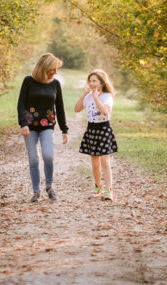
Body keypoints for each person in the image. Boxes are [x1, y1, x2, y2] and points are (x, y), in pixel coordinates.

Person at [17, 53, 69, 202]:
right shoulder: (29, 81)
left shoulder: (55, 84)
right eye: (53, 69)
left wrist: (64, 129)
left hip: (47, 125)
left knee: (48, 156)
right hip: (30, 126)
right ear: (44, 67)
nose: (55, 72)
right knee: (33, 159)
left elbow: (60, 108)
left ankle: (49, 186)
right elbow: (21, 104)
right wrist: (23, 124)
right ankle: (36, 191)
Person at [75, 69, 119, 201]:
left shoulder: (107, 96)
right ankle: (98, 187)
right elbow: (77, 109)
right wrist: (84, 95)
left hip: (103, 129)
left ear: (101, 82)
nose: (91, 83)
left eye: (94, 80)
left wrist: (95, 97)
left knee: (105, 160)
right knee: (94, 162)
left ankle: (108, 190)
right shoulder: (88, 97)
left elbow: (104, 111)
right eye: (90, 81)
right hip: (91, 129)